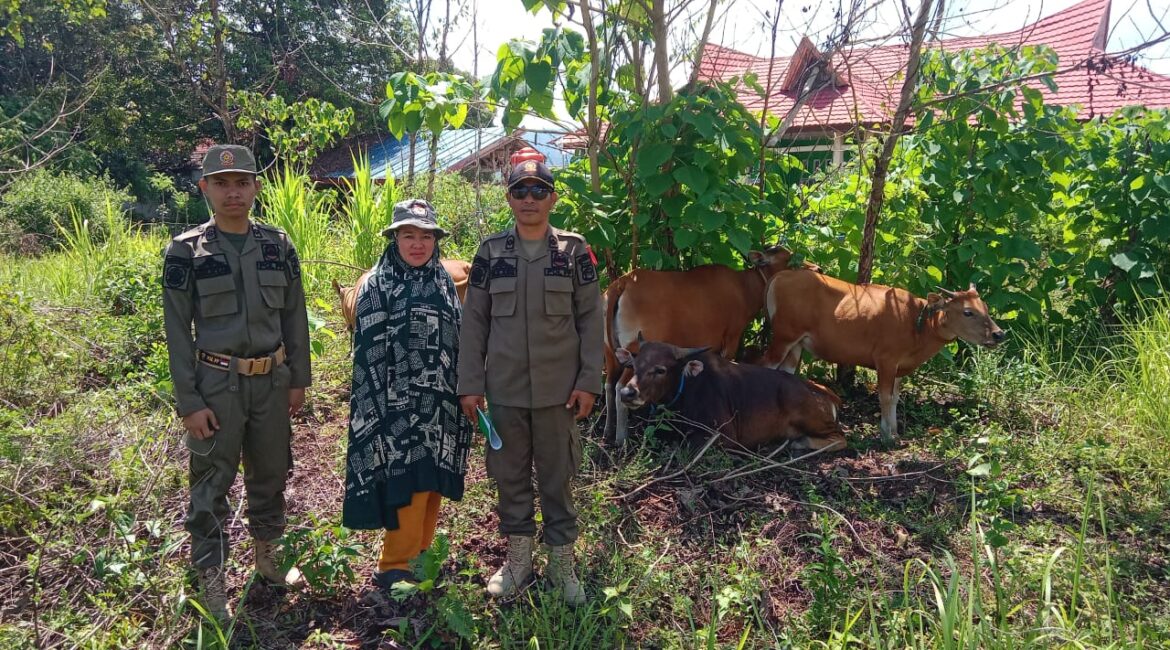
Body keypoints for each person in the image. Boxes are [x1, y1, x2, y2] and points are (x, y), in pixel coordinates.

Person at [162, 144, 311, 620]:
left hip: (270, 381)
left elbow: (295, 317)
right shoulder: (186, 250)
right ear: (205, 188)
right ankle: (211, 574)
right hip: (214, 385)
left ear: (256, 187)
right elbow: (176, 332)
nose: (233, 192)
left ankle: (268, 556)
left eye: (242, 182)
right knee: (211, 483)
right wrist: (189, 402)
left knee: (270, 473)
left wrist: (298, 381)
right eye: (222, 183)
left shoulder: (277, 245)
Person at [457, 159, 604, 605]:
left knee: (558, 478)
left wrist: (589, 382)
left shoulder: (575, 252)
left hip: (560, 394)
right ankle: (518, 559)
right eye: (520, 191)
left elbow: (591, 321)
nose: (529, 200)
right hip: (503, 391)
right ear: (509, 198)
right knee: (509, 476)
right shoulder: (489, 253)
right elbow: (475, 322)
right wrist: (469, 383)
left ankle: (562, 565)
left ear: (553, 198)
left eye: (539, 191)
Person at [342, 199, 472, 591]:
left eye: (426, 236)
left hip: (441, 405)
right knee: (408, 483)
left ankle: (421, 555)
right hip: (395, 409)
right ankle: (393, 565)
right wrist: (382, 409)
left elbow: (457, 340)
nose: (418, 244)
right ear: (394, 239)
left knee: (431, 482)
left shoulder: (443, 282)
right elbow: (368, 356)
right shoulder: (378, 285)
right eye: (408, 235)